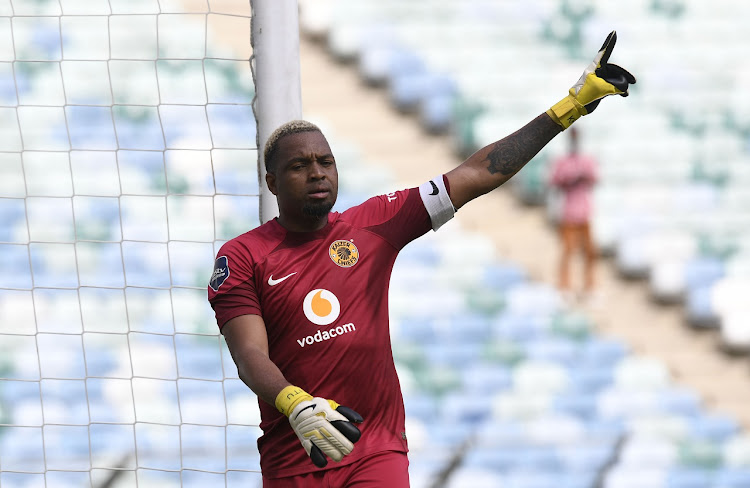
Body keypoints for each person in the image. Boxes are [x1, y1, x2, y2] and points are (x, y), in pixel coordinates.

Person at [207, 31, 634, 487]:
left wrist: (569, 107)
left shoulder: (373, 224)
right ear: (272, 183)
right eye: (299, 165)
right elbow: (249, 353)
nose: (317, 172)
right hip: (295, 458)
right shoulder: (243, 256)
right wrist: (295, 404)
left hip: (377, 448)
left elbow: (475, 174)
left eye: (326, 161)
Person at [548, 126, 599, 301]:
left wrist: (584, 176)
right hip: (569, 212)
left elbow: (594, 179)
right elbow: (554, 181)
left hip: (584, 211)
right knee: (567, 252)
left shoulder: (587, 160)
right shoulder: (562, 161)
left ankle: (589, 288)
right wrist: (569, 179)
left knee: (590, 253)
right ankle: (565, 287)